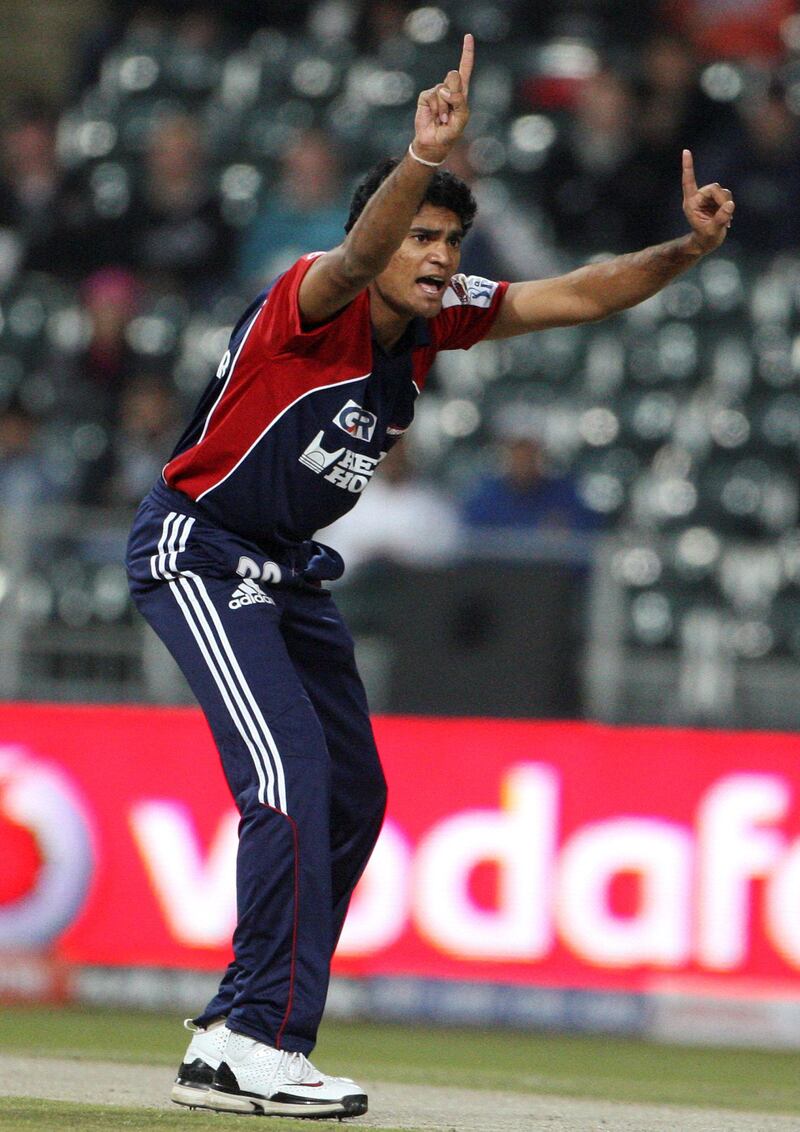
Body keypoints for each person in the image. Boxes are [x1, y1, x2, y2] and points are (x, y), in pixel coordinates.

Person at [126, 33, 735, 1120]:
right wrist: (419, 156)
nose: (438, 253)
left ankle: (246, 1028)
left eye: (449, 235)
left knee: (351, 792)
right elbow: (355, 256)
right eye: (421, 232)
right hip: (200, 548)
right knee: (284, 780)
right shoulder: (309, 302)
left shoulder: (439, 317)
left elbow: (579, 294)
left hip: (287, 575)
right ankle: (248, 1041)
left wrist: (678, 255)